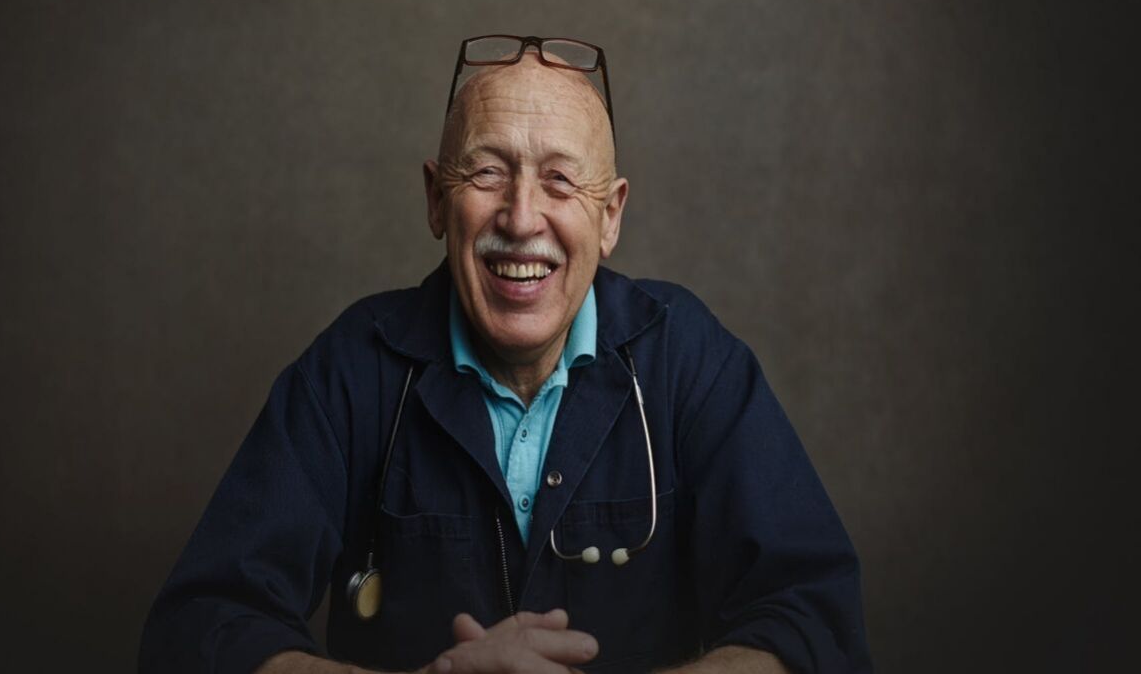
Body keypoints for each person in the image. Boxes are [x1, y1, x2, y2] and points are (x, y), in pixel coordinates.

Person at [140, 36, 871, 674]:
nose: (522, 219)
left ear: (610, 215)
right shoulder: (352, 371)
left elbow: (817, 619)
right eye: (486, 172)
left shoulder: (688, 360)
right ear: (436, 199)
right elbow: (196, 630)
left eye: (560, 179)